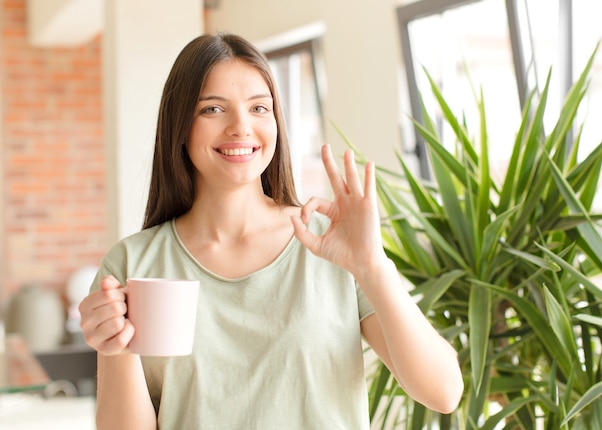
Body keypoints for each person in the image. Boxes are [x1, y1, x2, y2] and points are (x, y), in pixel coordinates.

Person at [79, 33, 463, 430]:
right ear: (180, 126)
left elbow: (443, 392)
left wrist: (372, 266)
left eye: (259, 108)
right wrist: (114, 349)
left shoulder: (330, 244)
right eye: (213, 109)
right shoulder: (132, 264)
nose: (241, 127)